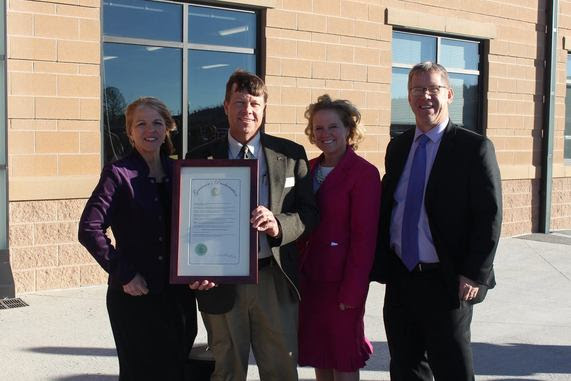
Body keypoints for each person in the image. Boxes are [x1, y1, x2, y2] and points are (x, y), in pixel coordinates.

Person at [370, 61, 502, 381]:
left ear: (450, 95)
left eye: (433, 89)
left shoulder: (474, 148)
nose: (425, 96)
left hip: (447, 280)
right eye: (417, 90)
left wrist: (474, 273)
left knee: (452, 368)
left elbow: (489, 215)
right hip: (402, 278)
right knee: (405, 366)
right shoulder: (399, 146)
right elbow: (391, 205)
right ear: (408, 96)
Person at [186, 70, 319, 381]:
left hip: (272, 276)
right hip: (220, 281)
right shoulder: (200, 158)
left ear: (264, 107)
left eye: (255, 103)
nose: (247, 110)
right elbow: (188, 222)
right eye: (239, 102)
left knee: (280, 368)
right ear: (226, 106)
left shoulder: (290, 155)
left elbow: (309, 214)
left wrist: (278, 225)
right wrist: (194, 267)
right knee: (227, 369)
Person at [78, 97, 197, 381]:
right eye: (140, 124)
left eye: (157, 123)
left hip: (178, 295)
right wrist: (124, 274)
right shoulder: (117, 174)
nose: (149, 130)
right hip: (134, 296)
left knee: (176, 369)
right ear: (130, 132)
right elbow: (89, 229)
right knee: (140, 373)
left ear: (168, 128)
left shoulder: (181, 172)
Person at [298, 95, 381, 381]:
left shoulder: (364, 173)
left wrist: (353, 289)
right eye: (318, 128)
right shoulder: (306, 169)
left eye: (332, 127)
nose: (325, 134)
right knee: (320, 352)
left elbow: (364, 238)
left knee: (344, 357)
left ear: (348, 129)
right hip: (310, 280)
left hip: (342, 283)